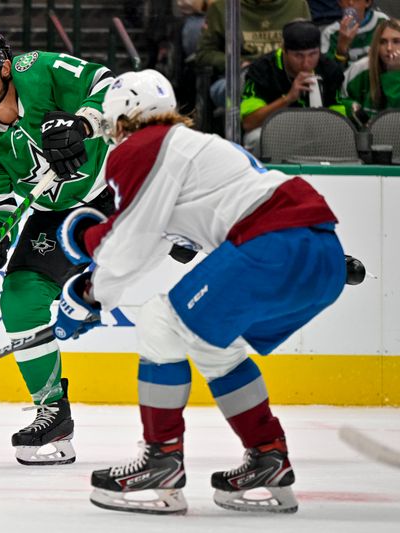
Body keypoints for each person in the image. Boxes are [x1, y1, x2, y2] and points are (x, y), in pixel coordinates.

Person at [53, 69, 355, 515]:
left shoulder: (143, 146)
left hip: (270, 246)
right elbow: (157, 237)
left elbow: (131, 238)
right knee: (217, 348)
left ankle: (161, 462)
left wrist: (88, 295)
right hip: (320, 254)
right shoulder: (193, 146)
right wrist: (93, 285)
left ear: (121, 120)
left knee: (160, 321)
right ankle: (267, 455)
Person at [0, 26, 115, 466]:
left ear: (4, 64)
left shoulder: (38, 70)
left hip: (121, 185)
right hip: (57, 214)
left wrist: (81, 124)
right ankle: (52, 412)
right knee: (19, 297)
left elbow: (110, 87)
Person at [241, 20, 345, 154]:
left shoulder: (329, 69)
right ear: (284, 50)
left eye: (313, 54)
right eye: (298, 56)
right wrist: (287, 99)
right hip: (276, 131)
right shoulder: (262, 69)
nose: (306, 63)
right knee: (256, 137)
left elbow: (340, 122)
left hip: (316, 133)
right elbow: (249, 123)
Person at [195, 0, 311, 109]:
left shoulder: (298, 5)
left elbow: (309, 48)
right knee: (241, 89)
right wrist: (238, 63)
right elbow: (204, 53)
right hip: (238, 76)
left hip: (285, 75)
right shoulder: (223, 6)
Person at [342, 18, 400, 123]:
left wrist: (393, 72)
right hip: (365, 136)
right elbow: (337, 97)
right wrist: (352, 107)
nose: (389, 48)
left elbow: (394, 116)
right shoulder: (361, 68)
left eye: (396, 41)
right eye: (383, 42)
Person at [321, 0, 390, 68]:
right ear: (340, 2)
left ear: (367, 2)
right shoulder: (330, 33)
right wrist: (341, 49)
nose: (350, 2)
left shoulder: (382, 22)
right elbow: (328, 75)